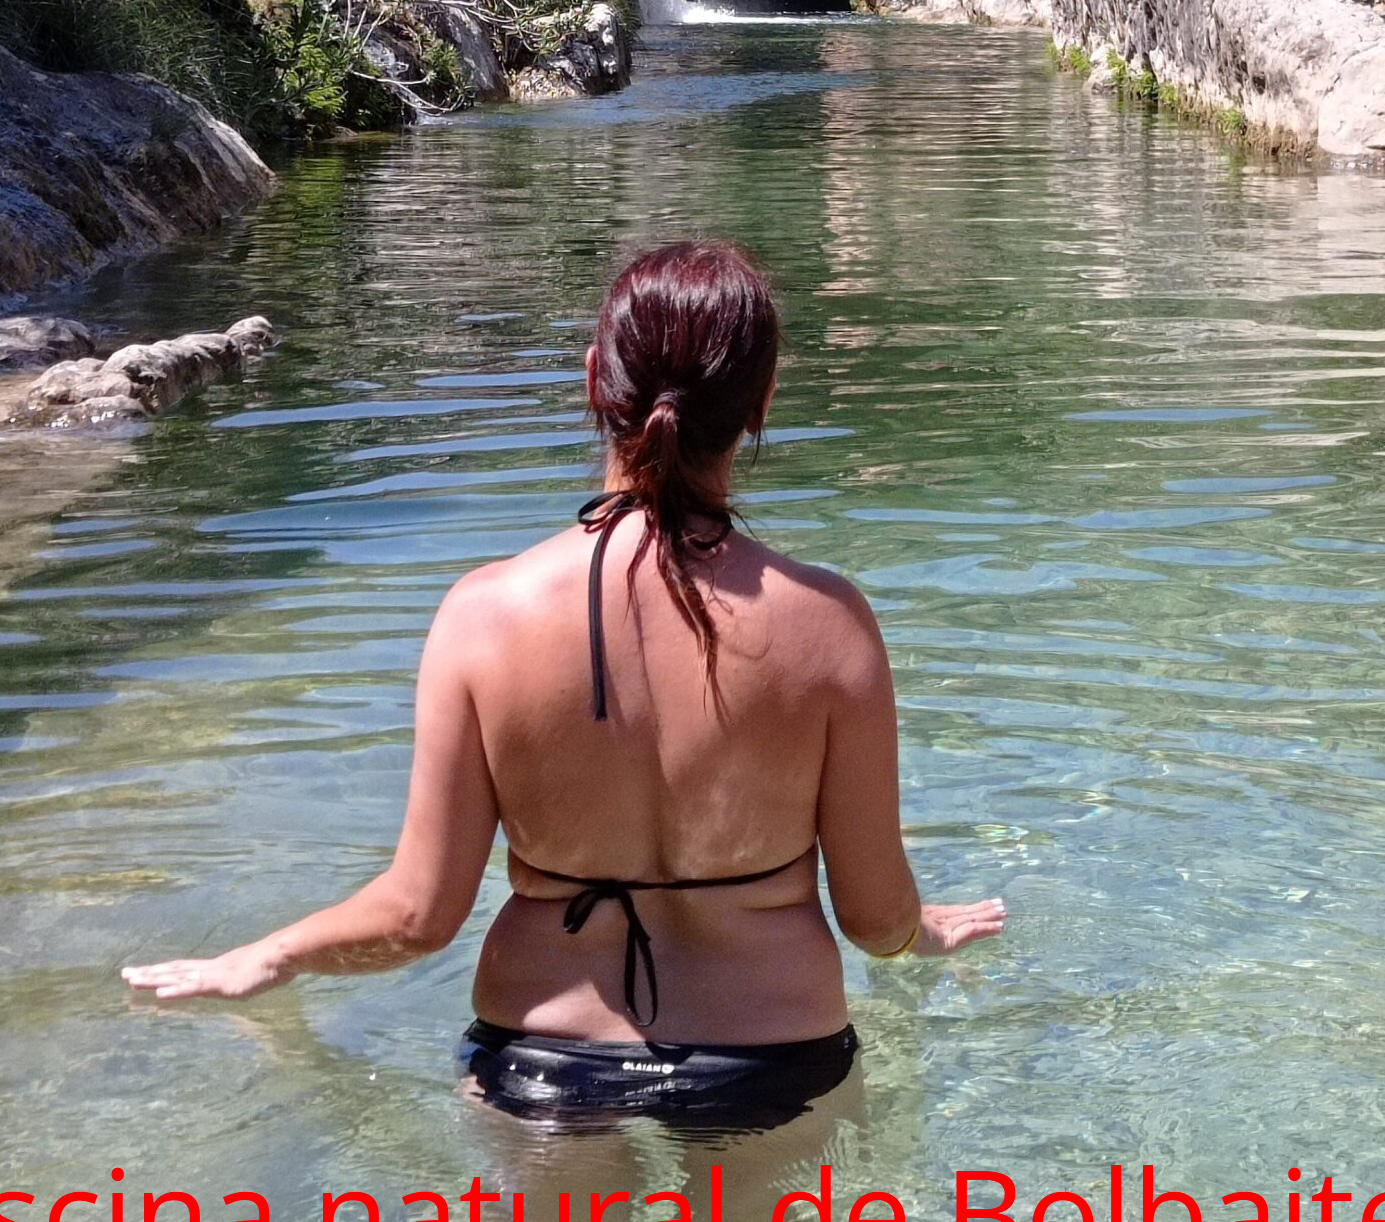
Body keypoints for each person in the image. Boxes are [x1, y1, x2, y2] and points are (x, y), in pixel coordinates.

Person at [122, 238, 1004, 1128]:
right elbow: (872, 918)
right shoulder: (830, 625)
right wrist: (918, 929)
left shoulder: (483, 617)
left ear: (593, 380)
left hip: (540, 1055)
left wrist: (274, 954)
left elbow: (418, 914)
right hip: (773, 1056)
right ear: (762, 402)